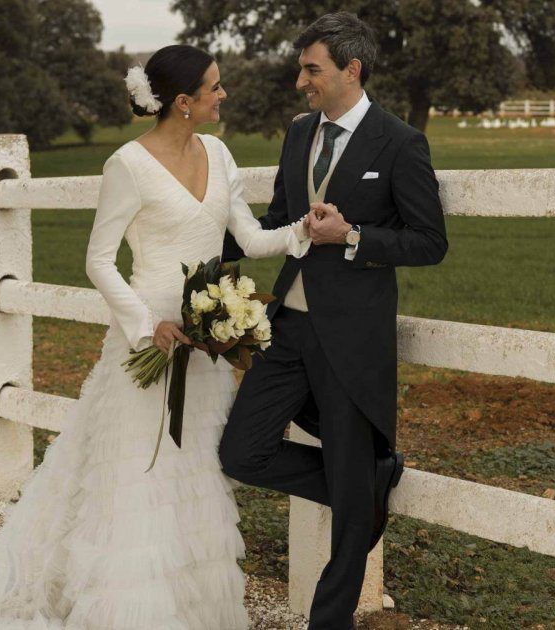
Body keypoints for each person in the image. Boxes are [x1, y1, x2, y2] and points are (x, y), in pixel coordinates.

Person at [0, 44, 313, 629]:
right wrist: (142, 325)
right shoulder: (127, 164)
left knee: (195, 468)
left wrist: (305, 230)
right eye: (215, 87)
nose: (223, 95)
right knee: (142, 472)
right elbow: (99, 259)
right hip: (149, 336)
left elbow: (249, 240)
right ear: (183, 102)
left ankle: (192, 610)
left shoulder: (221, 154)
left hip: (206, 339)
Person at [217, 12, 448, 630]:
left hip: (352, 337)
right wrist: (202, 245)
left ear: (352, 69)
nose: (301, 81)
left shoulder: (400, 142)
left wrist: (354, 236)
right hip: (287, 327)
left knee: (347, 500)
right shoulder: (299, 134)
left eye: (311, 69)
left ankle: (329, 619)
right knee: (241, 451)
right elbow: (277, 220)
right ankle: (368, 486)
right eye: (301, 69)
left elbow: (429, 241)